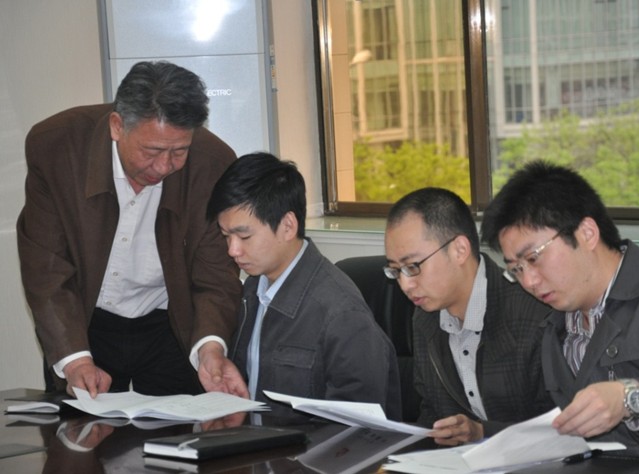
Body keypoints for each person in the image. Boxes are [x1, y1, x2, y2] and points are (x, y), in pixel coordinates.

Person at [17, 61, 242, 398]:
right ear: (117, 126)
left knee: (180, 428)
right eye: (152, 151)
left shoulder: (213, 163)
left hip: (171, 323)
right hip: (84, 321)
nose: (164, 166)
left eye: (179, 151)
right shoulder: (57, 146)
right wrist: (75, 360)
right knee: (79, 428)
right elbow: (46, 268)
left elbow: (216, 275)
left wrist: (211, 348)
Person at [480, 161, 639, 473]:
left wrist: (631, 398)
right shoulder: (555, 327)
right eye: (516, 270)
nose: (529, 281)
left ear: (587, 233)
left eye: (533, 258)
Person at [205, 151, 402, 422]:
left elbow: (355, 429)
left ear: (288, 226)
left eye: (244, 236)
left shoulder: (342, 314)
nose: (233, 250)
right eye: (226, 236)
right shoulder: (252, 290)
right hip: (249, 444)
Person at [383, 187, 553, 446]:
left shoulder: (533, 314)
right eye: (396, 271)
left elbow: (560, 426)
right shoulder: (425, 319)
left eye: (413, 266)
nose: (405, 285)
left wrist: (483, 432)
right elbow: (431, 412)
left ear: (459, 250)